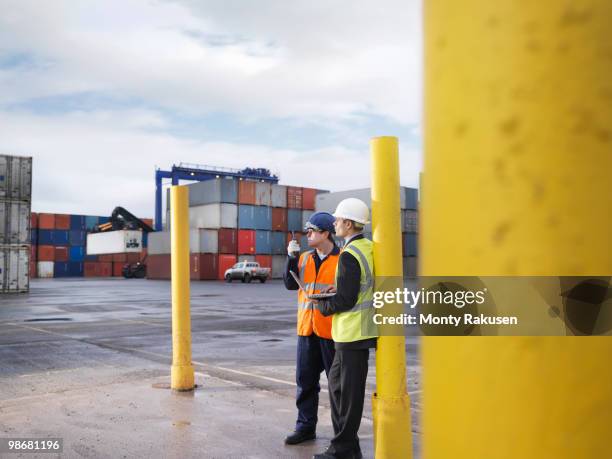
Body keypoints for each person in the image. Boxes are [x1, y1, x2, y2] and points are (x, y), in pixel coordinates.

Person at [312, 198, 377, 459]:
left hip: (352, 333)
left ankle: (342, 449)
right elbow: (360, 287)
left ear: (348, 224)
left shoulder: (349, 254)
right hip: (356, 333)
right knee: (340, 392)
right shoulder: (367, 247)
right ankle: (349, 448)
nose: (335, 223)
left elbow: (348, 299)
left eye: (337, 220)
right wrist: (336, 290)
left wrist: (322, 305)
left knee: (347, 397)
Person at [283, 211, 340, 445]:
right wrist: (291, 258)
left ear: (326, 233)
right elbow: (289, 284)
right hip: (307, 330)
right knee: (305, 382)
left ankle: (342, 433)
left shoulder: (342, 259)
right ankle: (305, 427)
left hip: (331, 332)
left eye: (312, 230)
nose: (307, 234)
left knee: (338, 386)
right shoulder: (304, 258)